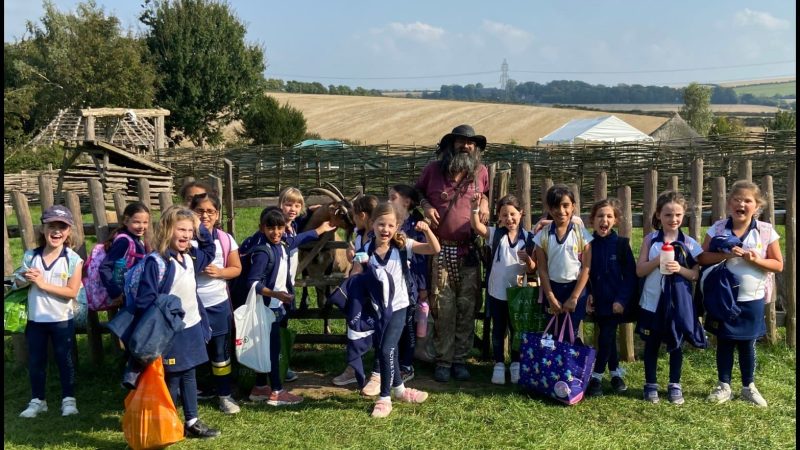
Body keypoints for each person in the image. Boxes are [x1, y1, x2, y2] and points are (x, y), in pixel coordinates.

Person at [132, 206, 220, 437]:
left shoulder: (190, 255)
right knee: (171, 377)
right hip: (170, 332)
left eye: (190, 231)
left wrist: (201, 227)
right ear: (167, 230)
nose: (187, 235)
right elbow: (145, 300)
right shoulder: (157, 262)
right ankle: (166, 423)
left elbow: (210, 250)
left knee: (189, 372)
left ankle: (191, 421)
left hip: (191, 326)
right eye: (181, 229)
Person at [351, 203, 440, 418]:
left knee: (386, 350)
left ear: (397, 226)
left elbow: (434, 249)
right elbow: (353, 279)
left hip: (400, 307)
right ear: (372, 224)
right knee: (387, 349)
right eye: (381, 224)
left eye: (390, 225)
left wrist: (427, 230)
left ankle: (384, 397)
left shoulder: (403, 246)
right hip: (377, 310)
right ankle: (400, 390)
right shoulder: (366, 251)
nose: (385, 229)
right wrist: (353, 260)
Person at [415, 124, 490, 382]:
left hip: (468, 252)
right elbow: (417, 192)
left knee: (467, 307)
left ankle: (460, 360)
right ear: (450, 145)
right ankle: (443, 361)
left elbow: (487, 193)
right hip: (441, 250)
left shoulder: (480, 172)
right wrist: (425, 205)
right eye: (461, 142)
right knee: (443, 307)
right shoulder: (433, 170)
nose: (466, 146)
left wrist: (486, 206)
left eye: (471, 143)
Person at [700, 181, 783, 407]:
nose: (742, 204)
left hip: (752, 298)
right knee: (725, 341)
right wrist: (724, 255)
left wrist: (756, 259)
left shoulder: (765, 231)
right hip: (722, 297)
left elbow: (778, 264)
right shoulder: (717, 228)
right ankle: (723, 386)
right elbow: (702, 258)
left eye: (748, 201)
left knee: (747, 344)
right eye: (737, 199)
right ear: (729, 204)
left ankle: (749, 387)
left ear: (756, 207)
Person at [242, 207, 336, 405]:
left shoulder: (283, 244)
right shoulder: (263, 252)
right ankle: (277, 391)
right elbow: (252, 282)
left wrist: (320, 229)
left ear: (285, 228)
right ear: (261, 228)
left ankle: (260, 387)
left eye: (280, 228)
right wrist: (275, 294)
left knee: (265, 347)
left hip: (277, 304)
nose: (276, 232)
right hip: (268, 307)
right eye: (270, 228)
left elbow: (299, 239)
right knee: (274, 350)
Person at [635, 191, 706, 405]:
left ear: (683, 216)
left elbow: (695, 275)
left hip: (678, 303)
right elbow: (639, 271)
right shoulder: (650, 240)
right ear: (658, 215)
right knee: (652, 343)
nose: (673, 219)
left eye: (677, 215)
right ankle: (651, 384)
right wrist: (658, 260)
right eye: (667, 215)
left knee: (676, 344)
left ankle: (675, 384)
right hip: (653, 301)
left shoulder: (690, 243)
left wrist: (680, 269)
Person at [16, 205, 84, 418]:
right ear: (43, 229)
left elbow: (72, 291)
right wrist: (23, 279)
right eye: (51, 226)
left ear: (69, 231)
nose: (56, 232)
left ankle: (68, 400)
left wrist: (43, 284)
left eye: (62, 227)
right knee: (36, 360)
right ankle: (38, 400)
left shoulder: (73, 259)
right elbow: (17, 282)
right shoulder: (31, 256)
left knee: (65, 360)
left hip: (62, 319)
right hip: (35, 320)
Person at [470, 194, 535, 385]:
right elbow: (477, 227)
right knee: (498, 329)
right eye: (505, 215)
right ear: (499, 217)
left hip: (519, 294)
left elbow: (533, 269)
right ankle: (499, 364)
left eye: (513, 214)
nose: (509, 219)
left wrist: (528, 260)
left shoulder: (529, 238)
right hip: (497, 292)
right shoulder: (496, 234)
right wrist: (475, 209)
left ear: (521, 213)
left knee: (517, 330)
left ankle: (515, 363)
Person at [190, 193, 242, 414]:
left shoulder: (225, 239)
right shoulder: (183, 237)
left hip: (218, 304)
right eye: (200, 211)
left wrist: (220, 272)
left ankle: (224, 395)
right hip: (189, 305)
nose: (205, 215)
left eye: (210, 211)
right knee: (189, 352)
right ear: (191, 212)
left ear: (217, 214)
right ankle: (189, 396)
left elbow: (236, 269)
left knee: (220, 352)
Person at [585, 198, 636, 396]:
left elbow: (630, 275)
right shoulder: (588, 244)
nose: (604, 220)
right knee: (607, 337)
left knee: (606, 335)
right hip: (598, 302)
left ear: (615, 220)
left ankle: (596, 376)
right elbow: (584, 272)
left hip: (616, 303)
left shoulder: (622, 245)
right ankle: (615, 373)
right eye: (600, 216)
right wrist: (588, 294)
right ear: (592, 220)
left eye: (609, 216)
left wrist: (621, 300)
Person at [533, 184, 592, 339]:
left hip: (576, 290)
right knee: (551, 334)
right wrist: (551, 298)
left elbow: (586, 268)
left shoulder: (582, 234)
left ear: (573, 207)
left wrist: (574, 298)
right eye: (556, 206)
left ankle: (569, 363)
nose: (561, 211)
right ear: (550, 209)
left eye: (565, 205)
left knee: (570, 332)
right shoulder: (542, 237)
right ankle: (553, 364)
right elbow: (543, 270)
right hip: (552, 289)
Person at [334, 194, 380, 389]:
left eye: (353, 216)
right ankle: (353, 368)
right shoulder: (360, 236)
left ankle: (377, 374)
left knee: (380, 331)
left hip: (378, 292)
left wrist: (358, 259)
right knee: (354, 327)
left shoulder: (381, 236)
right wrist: (353, 257)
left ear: (362, 215)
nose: (352, 220)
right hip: (361, 292)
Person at [388, 184, 430, 384]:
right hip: (392, 284)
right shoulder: (391, 221)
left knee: (408, 325)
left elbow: (421, 259)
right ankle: (392, 362)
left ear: (406, 202)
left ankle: (407, 364)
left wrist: (422, 286)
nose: (389, 201)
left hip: (410, 283)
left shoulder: (416, 225)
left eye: (392, 197)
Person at [278, 187, 311, 382]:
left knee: (283, 323)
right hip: (275, 286)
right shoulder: (277, 225)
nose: (293, 209)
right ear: (280, 204)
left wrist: (315, 209)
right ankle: (275, 366)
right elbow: (290, 243)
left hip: (287, 284)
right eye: (288, 204)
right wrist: (318, 231)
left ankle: (281, 364)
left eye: (297, 205)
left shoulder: (293, 224)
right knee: (276, 326)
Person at [98, 202, 150, 307]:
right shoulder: (124, 241)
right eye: (136, 222)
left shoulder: (137, 241)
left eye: (145, 222)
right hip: (124, 295)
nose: (141, 226)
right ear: (126, 221)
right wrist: (115, 293)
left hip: (134, 293)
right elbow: (105, 267)